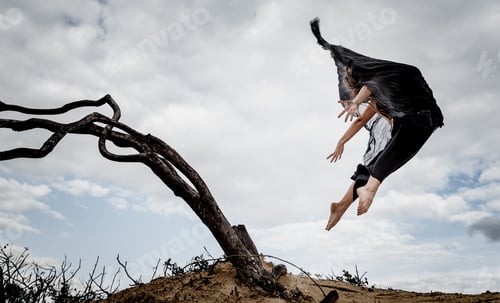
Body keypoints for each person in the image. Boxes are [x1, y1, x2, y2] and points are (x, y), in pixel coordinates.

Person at [310, 18, 444, 229]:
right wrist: (344, 133)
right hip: (417, 119)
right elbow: (369, 94)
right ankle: (369, 189)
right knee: (385, 161)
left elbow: (367, 99)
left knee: (380, 163)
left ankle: (342, 205)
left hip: (412, 120)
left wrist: (343, 135)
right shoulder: (379, 88)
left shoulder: (383, 86)